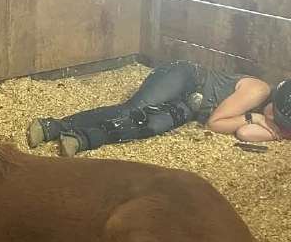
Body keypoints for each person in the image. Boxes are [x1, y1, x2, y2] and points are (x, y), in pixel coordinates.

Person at [26, 60, 291, 156]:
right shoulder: (259, 90)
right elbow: (217, 121)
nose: (276, 122)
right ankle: (53, 126)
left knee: (149, 125)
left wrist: (268, 128)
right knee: (132, 109)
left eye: (281, 123)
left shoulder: (270, 120)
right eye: (276, 117)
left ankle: (81, 139)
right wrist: (253, 117)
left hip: (191, 104)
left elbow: (243, 134)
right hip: (187, 77)